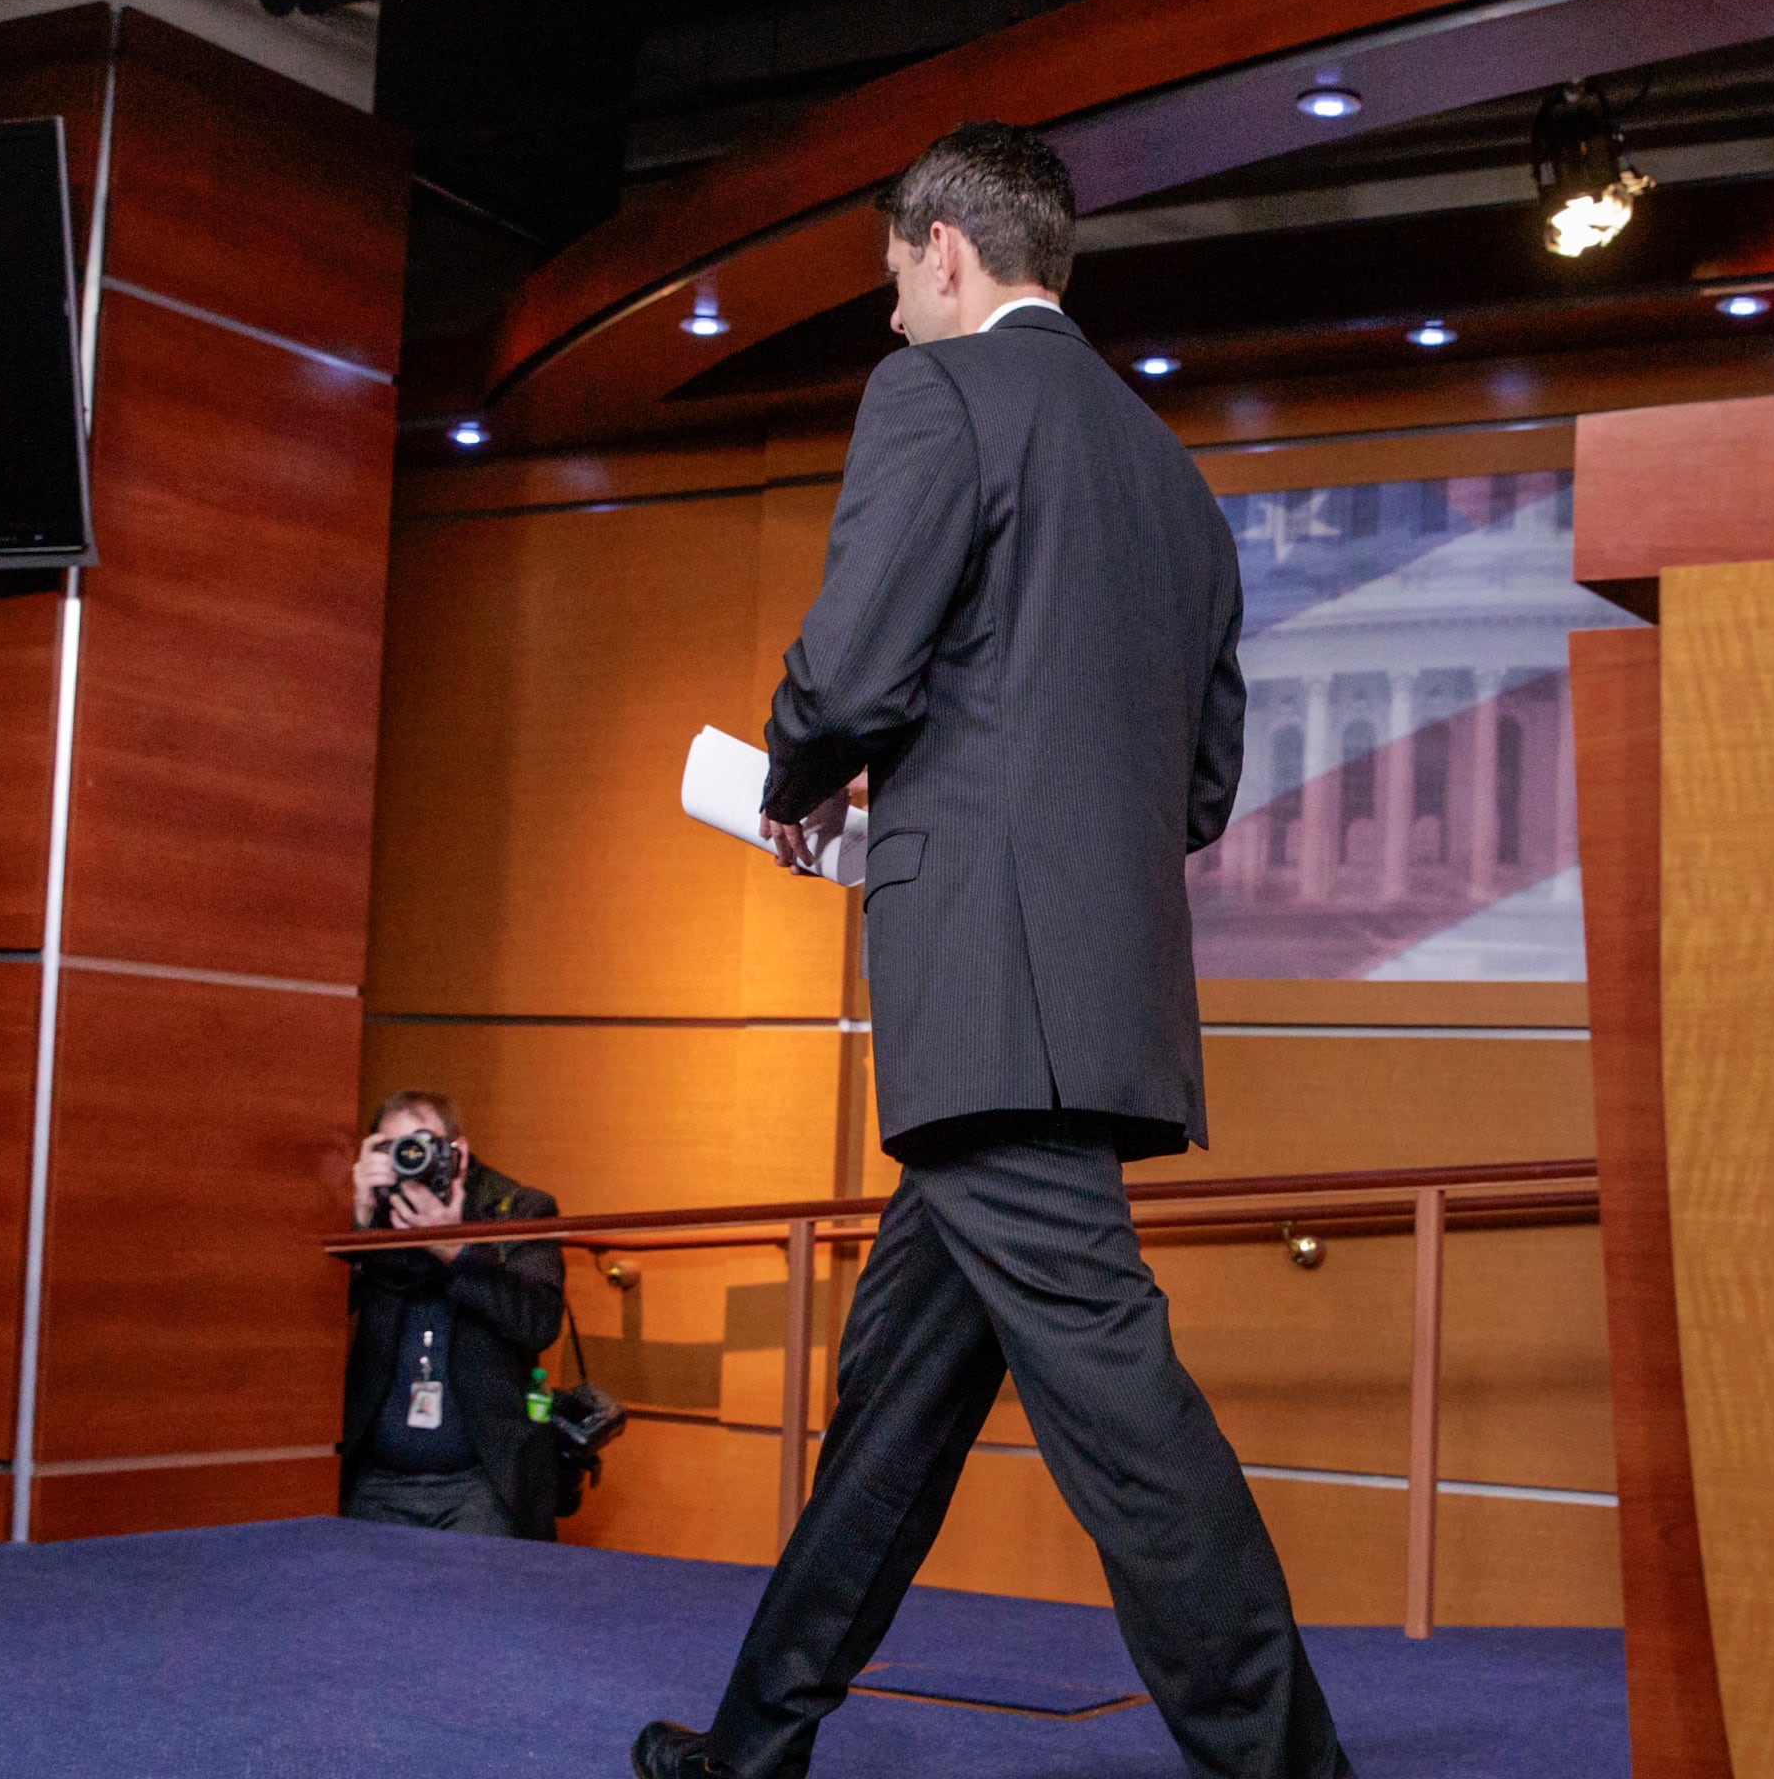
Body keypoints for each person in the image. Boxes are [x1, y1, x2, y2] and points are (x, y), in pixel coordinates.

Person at [633, 124, 1352, 1779]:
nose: (891, 319)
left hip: (987, 1001)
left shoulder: (934, 399)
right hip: (1092, 1004)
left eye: (895, 280)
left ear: (949, 252)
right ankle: (754, 1750)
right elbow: (1201, 787)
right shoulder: (1175, 480)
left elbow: (851, 672)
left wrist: (802, 790)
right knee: (895, 1410)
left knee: (1128, 1427)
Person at [340, 1089, 566, 1540]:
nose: (410, 1161)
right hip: (376, 1481)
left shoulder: (516, 1209)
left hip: (479, 1485)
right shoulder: (370, 1214)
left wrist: (456, 1248)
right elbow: (307, 1325)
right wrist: (359, 1227)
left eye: (421, 1146)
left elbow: (538, 1322)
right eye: (393, 1150)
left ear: (457, 1151)